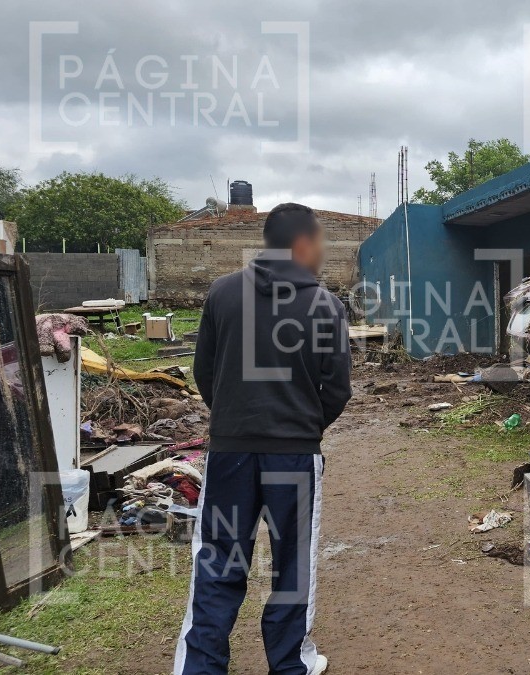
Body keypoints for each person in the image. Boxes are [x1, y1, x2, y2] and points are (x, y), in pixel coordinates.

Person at [174, 203, 352, 675]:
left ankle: (200, 668)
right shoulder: (325, 306)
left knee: (218, 563)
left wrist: (234, 420)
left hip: (229, 453)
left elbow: (204, 373)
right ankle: (291, 665)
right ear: (303, 244)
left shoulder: (222, 293)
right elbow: (337, 389)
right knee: (293, 566)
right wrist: (304, 429)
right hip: (293, 458)